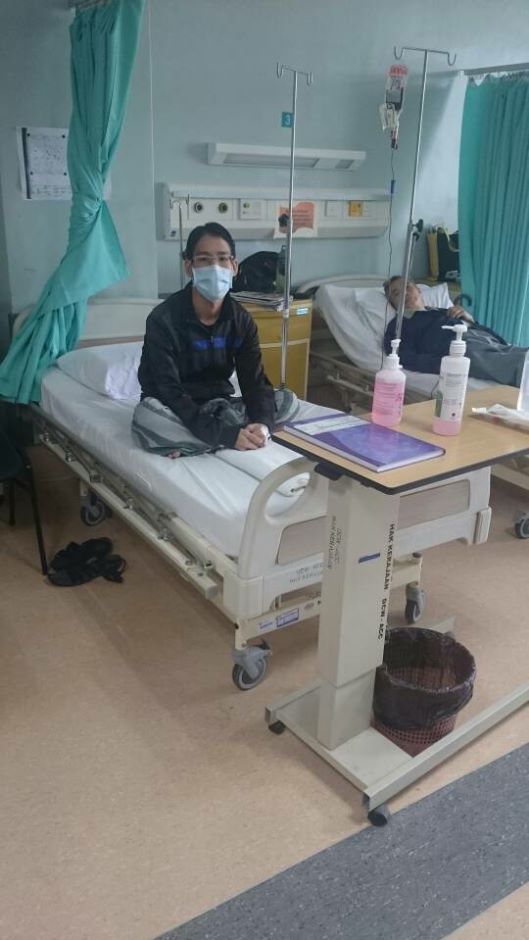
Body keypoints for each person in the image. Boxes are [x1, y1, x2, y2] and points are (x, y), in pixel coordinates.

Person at [132, 222, 298, 456]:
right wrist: (226, 434)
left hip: (221, 405)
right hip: (174, 408)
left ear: (234, 266)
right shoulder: (163, 319)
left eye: (222, 259)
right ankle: (223, 434)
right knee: (147, 416)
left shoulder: (241, 320)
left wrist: (262, 424)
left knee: (288, 401)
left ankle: (203, 439)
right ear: (188, 266)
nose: (215, 267)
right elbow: (169, 390)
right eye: (204, 259)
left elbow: (254, 382)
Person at [383, 276, 528, 385]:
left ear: (418, 290)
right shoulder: (399, 325)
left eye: (408, 287)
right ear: (392, 303)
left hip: (483, 339)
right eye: (396, 293)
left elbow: (497, 339)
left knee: (523, 354)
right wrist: (444, 362)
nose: (405, 293)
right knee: (520, 365)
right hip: (462, 350)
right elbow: (404, 357)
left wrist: (470, 320)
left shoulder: (442, 311)